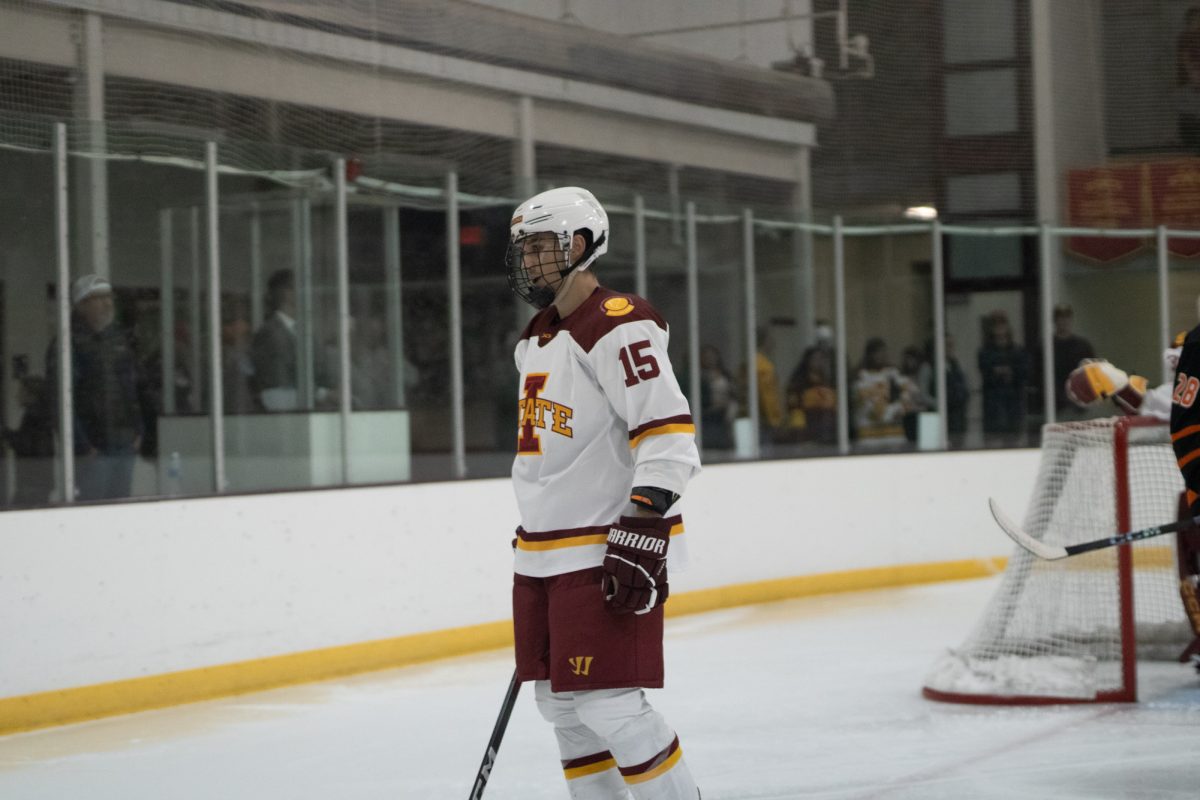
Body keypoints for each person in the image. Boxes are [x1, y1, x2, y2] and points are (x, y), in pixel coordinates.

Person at [506, 186, 702, 799]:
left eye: (540, 247)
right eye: (524, 249)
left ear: (581, 245)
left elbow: (668, 435)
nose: (529, 261)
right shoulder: (537, 338)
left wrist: (644, 522)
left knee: (611, 705)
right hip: (544, 552)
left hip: (604, 546)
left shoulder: (619, 325)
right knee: (562, 707)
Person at [46, 274, 145, 501]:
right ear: (81, 305)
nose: (107, 303)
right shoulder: (67, 343)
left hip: (124, 444)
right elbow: (60, 400)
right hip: (94, 449)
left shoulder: (118, 340)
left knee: (119, 510)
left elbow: (131, 389)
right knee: (91, 512)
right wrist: (82, 446)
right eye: (97, 298)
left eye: (108, 297)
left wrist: (138, 430)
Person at [251, 269, 334, 411]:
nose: (308, 294)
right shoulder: (270, 333)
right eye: (300, 288)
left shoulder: (304, 331)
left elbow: (321, 369)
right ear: (286, 293)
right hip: (286, 413)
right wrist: (323, 394)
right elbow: (279, 383)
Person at [851, 337, 919, 446]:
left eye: (883, 352)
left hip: (893, 435)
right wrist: (889, 413)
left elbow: (912, 392)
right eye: (877, 352)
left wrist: (900, 409)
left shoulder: (894, 374)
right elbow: (868, 404)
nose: (881, 356)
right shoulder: (861, 377)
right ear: (869, 355)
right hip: (869, 436)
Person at [2, 376, 55, 507]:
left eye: (21, 391)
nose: (16, 396)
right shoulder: (39, 415)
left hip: (33, 482)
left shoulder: (34, 416)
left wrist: (5, 433)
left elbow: (26, 446)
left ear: (31, 395)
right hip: (38, 481)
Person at [978, 311, 1029, 447]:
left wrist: (1010, 372)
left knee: (1013, 442)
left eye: (1002, 325)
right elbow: (986, 372)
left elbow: (1024, 373)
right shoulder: (985, 352)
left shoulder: (1017, 351)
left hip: (1013, 406)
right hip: (993, 408)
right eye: (996, 325)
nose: (999, 329)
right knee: (992, 443)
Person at [785, 346, 837, 446]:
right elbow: (795, 410)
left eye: (823, 359)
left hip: (829, 432)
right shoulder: (798, 384)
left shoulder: (829, 382)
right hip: (808, 435)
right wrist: (800, 433)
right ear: (808, 361)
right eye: (817, 359)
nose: (821, 362)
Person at [1049, 304, 1095, 415]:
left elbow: (1091, 374)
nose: (1063, 321)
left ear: (1071, 320)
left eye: (1066, 317)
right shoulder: (1047, 347)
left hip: (1079, 403)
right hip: (1054, 405)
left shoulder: (1083, 346)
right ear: (1055, 321)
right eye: (1060, 318)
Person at [699, 343, 736, 450]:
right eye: (707, 357)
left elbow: (733, 392)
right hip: (708, 415)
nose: (710, 359)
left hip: (724, 415)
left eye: (712, 356)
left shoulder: (725, 374)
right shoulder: (700, 376)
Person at [1178, 7, 1200, 151]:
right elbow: (1185, 58)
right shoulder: (1186, 37)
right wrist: (1193, 74)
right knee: (1191, 112)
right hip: (1190, 82)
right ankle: (1193, 144)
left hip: (1194, 79)